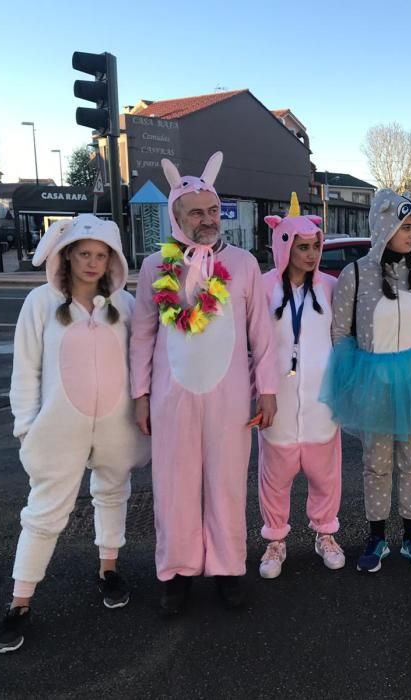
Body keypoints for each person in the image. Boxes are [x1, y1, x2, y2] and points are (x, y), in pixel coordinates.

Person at [0, 214, 149, 653]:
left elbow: (141, 362)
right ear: (68, 255)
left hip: (115, 425)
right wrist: (26, 427)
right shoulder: (40, 303)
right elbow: (25, 369)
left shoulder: (126, 305)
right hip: (59, 427)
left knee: (114, 492)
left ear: (112, 258)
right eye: (84, 253)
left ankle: (108, 569)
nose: (93, 263)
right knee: (44, 512)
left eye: (101, 255)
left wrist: (143, 406)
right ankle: (20, 601)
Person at [130, 152, 277, 614]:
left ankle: (229, 569)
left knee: (227, 484)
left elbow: (261, 333)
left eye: (213, 210)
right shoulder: (156, 265)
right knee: (173, 486)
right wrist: (140, 394)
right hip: (172, 397)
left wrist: (267, 388)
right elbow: (142, 334)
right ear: (176, 215)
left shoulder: (244, 263)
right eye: (196, 212)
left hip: (230, 397)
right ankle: (176, 574)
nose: (208, 219)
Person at [322, 189, 411, 573]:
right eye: (406, 226)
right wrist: (353, 376)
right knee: (377, 464)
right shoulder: (355, 274)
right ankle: (377, 536)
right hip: (374, 385)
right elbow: (340, 332)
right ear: (385, 226)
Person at [257, 195, 345, 579]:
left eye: (315, 247)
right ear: (284, 245)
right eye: (302, 247)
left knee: (326, 476)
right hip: (277, 403)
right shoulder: (263, 288)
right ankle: (275, 541)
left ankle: (325, 533)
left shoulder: (331, 286)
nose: (311, 255)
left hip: (320, 404)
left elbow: (345, 339)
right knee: (274, 479)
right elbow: (252, 344)